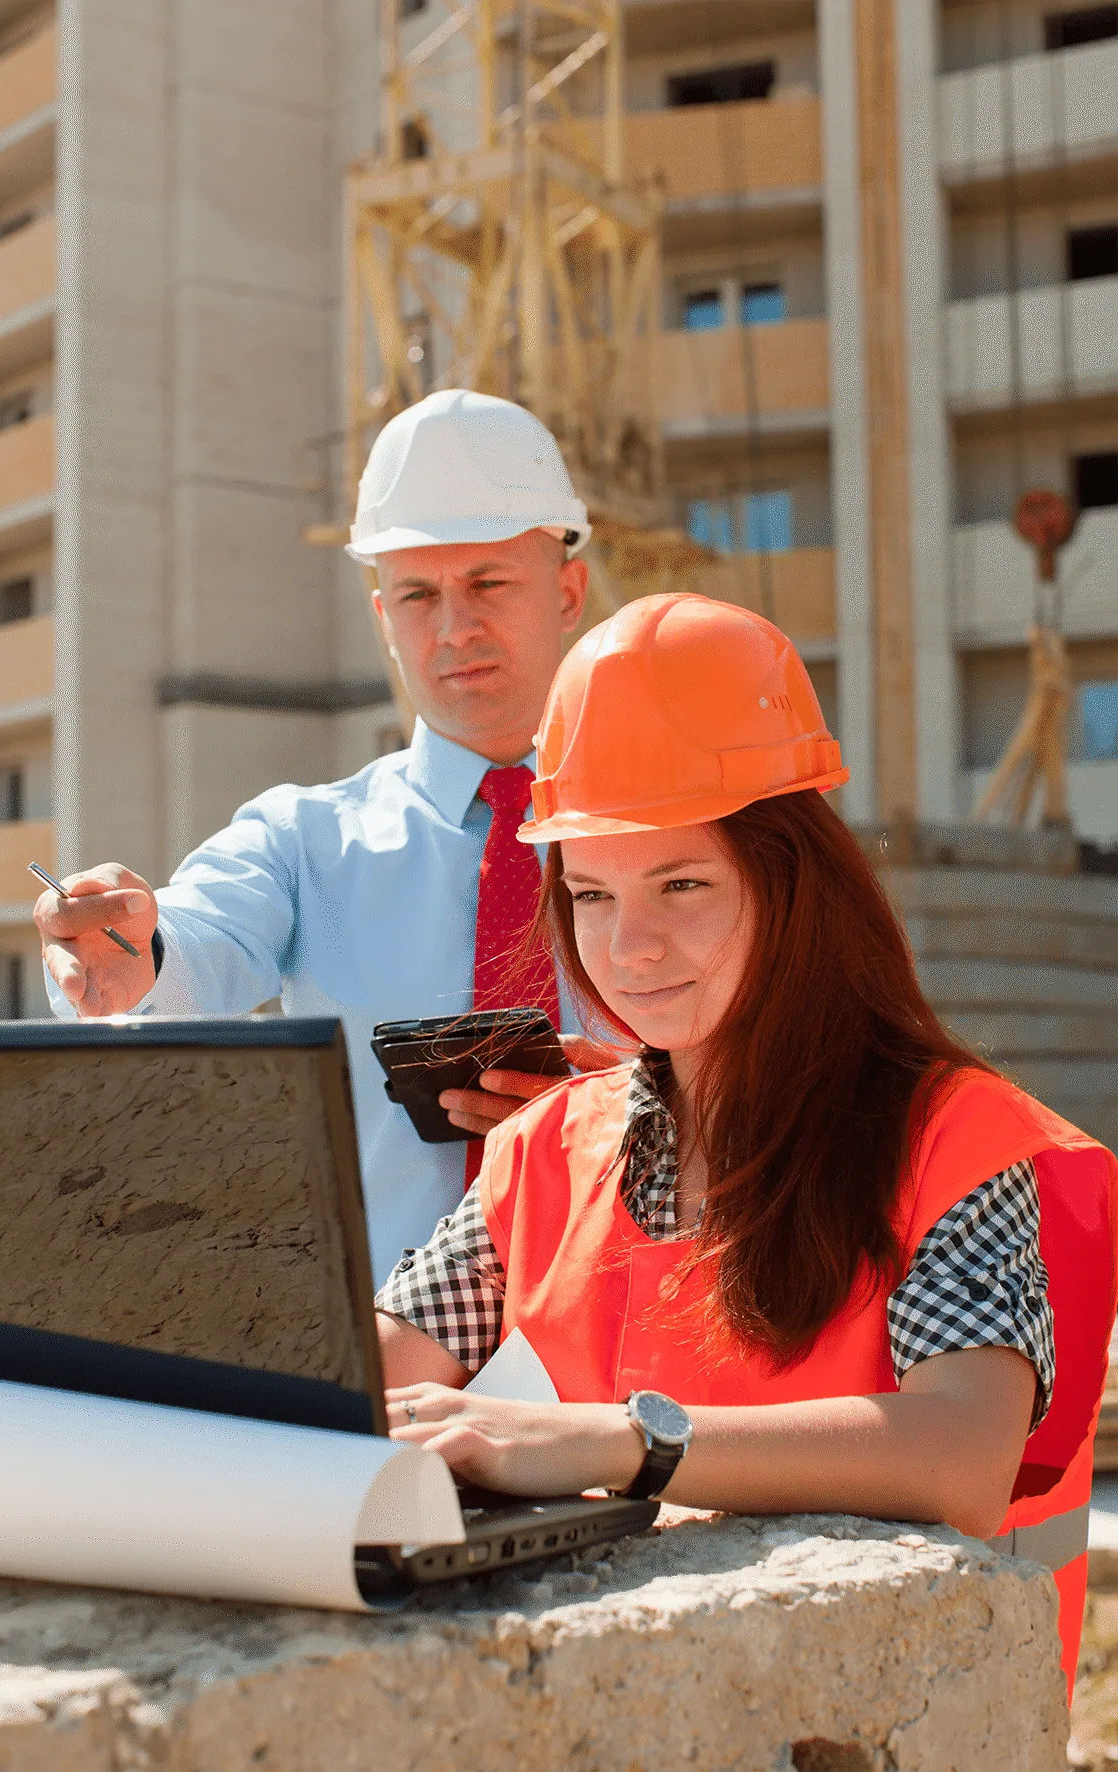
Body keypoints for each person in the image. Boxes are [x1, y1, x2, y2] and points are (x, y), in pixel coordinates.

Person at [377, 592, 1117, 1695]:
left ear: (791, 887)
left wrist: (614, 1440)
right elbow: (371, 1373)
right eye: (591, 892)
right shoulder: (547, 1149)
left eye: (680, 883)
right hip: (644, 1697)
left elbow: (963, 1456)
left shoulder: (952, 1137)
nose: (629, 947)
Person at [34, 391, 614, 1278]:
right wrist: (130, 954)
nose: (454, 628)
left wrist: (633, 1106)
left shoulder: (684, 834)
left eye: (489, 583)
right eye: (416, 594)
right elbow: (192, 947)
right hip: (384, 1370)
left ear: (567, 592)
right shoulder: (302, 839)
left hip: (626, 1362)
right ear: (384, 623)